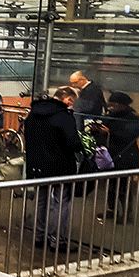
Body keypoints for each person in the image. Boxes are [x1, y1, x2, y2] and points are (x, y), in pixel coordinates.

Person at [24, 86, 84, 252]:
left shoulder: (33, 114)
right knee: (60, 202)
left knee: (41, 200)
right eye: (73, 103)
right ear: (67, 100)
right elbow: (74, 143)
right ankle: (57, 241)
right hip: (60, 167)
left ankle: (39, 236)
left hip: (38, 166)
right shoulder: (64, 117)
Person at [100, 91, 139, 223]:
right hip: (112, 154)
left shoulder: (133, 118)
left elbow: (129, 135)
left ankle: (127, 213)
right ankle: (112, 209)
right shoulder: (111, 116)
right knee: (111, 183)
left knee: (123, 186)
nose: (110, 107)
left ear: (122, 105)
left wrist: (109, 131)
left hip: (126, 156)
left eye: (114, 105)